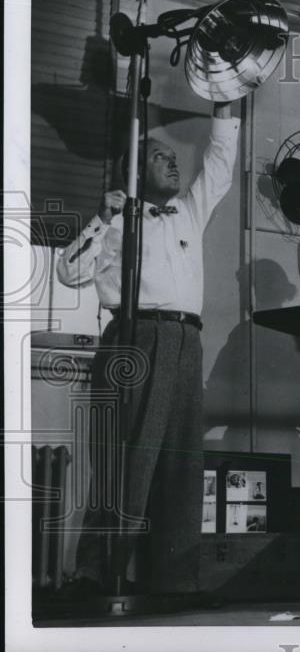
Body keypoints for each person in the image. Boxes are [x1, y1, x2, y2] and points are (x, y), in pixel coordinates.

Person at [55, 101, 240, 598]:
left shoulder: (188, 211)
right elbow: (69, 271)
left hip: (186, 340)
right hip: (135, 337)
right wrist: (101, 220)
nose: (174, 162)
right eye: (160, 157)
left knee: (182, 463)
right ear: (134, 173)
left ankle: (176, 579)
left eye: (173, 158)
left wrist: (224, 103)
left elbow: (219, 165)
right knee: (126, 459)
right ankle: (96, 572)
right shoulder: (115, 222)